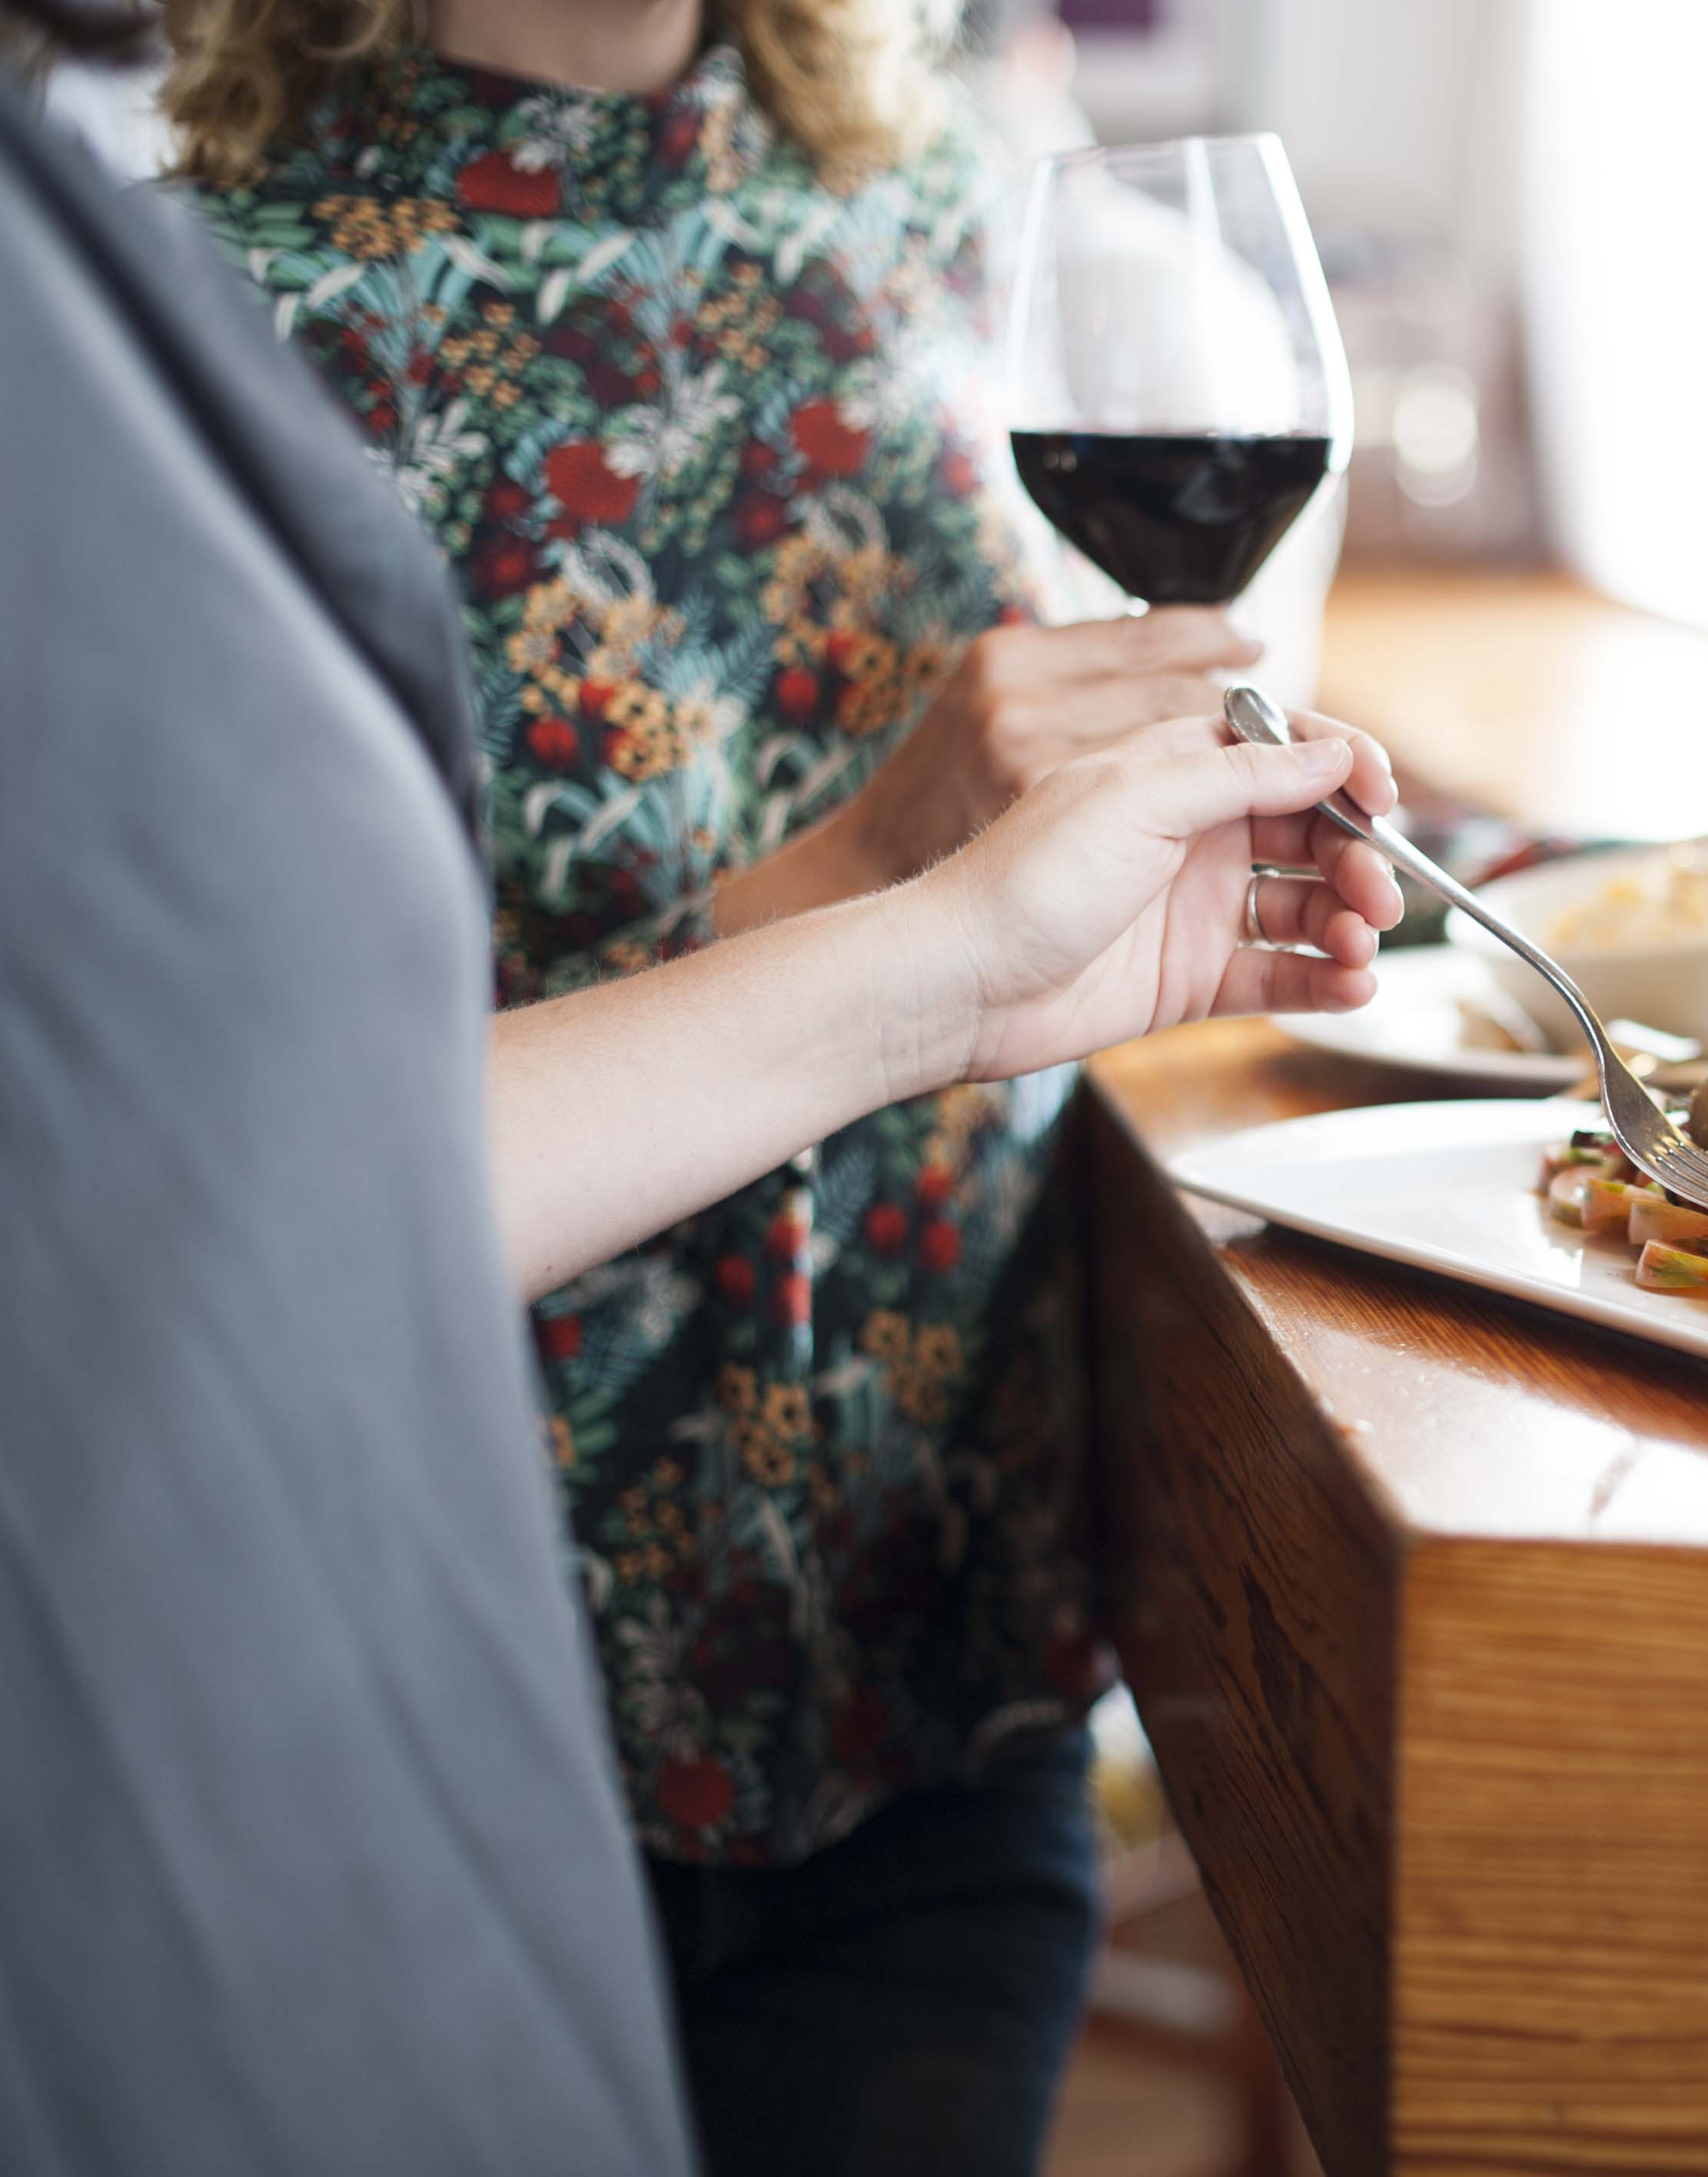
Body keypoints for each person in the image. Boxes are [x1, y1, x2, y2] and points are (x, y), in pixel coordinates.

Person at [0, 8, 1400, 2170]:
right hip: (449, 1734)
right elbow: (230, 1169)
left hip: (932, 1667)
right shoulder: (191, 338)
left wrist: (1034, 830)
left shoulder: (957, 207)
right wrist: (879, 876)